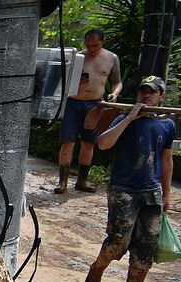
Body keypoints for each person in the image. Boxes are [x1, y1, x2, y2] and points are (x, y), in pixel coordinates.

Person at [84, 75, 175, 282]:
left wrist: (167, 194)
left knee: (147, 243)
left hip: (151, 190)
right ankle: (98, 267)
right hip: (123, 189)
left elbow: (166, 160)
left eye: (152, 92)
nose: (146, 95)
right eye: (143, 91)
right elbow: (103, 143)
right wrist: (130, 118)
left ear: (161, 96)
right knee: (118, 240)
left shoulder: (167, 124)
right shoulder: (124, 118)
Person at [59, 29, 123, 194]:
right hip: (74, 102)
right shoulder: (78, 57)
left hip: (95, 104)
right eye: (88, 45)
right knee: (68, 141)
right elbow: (63, 80)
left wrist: (114, 94)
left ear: (103, 42)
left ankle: (82, 180)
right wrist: (75, 81)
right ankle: (62, 182)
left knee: (88, 143)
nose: (92, 48)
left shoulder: (111, 58)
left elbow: (117, 82)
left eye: (95, 45)